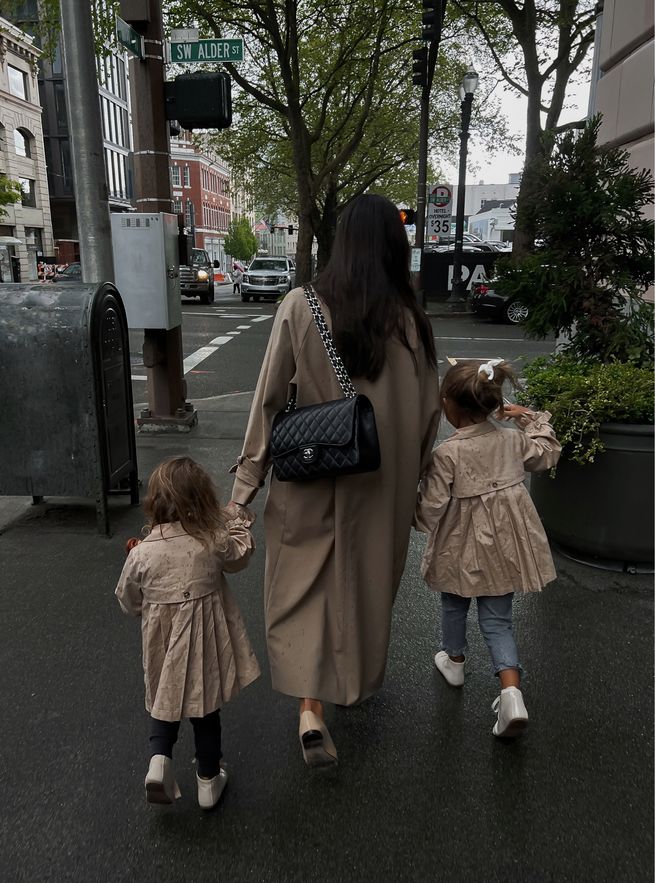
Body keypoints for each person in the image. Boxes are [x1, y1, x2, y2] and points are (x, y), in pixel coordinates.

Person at [228, 193, 440, 767]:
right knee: (363, 590)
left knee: (302, 589)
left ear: (339, 243)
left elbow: (269, 400)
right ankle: (350, 683)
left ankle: (309, 708)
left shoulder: (302, 306)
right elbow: (427, 417)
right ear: (395, 248)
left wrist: (246, 485)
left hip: (309, 474)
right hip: (381, 488)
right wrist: (417, 485)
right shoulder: (412, 325)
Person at [414, 359, 561, 738]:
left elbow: (430, 511)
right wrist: (528, 416)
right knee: (498, 620)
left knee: (454, 602)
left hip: (459, 548)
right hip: (506, 547)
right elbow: (546, 453)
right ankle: (511, 692)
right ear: (494, 404)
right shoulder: (513, 440)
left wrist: (407, 515)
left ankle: (455, 660)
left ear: (448, 404)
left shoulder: (447, 454)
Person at [115, 457, 261, 809]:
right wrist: (237, 520)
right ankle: (209, 780)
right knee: (205, 709)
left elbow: (127, 598)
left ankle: (159, 760)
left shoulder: (143, 553)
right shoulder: (212, 541)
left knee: (164, 700)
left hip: (162, 644)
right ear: (203, 500)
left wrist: (146, 609)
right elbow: (241, 555)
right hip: (205, 645)